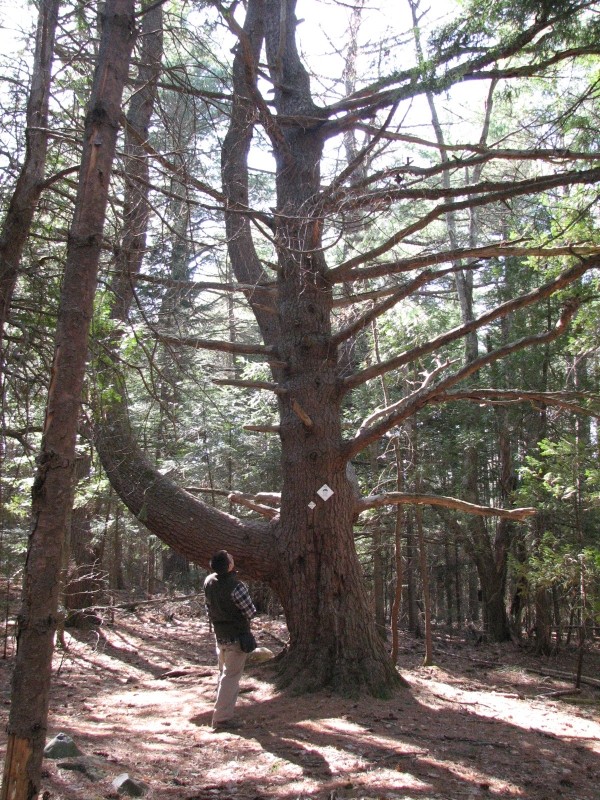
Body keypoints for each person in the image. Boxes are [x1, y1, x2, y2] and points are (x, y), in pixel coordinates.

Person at [203, 550, 256, 730]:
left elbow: (208, 607)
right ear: (229, 565)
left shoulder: (208, 582)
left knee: (223, 673)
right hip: (236, 637)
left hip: (220, 635)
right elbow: (250, 612)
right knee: (230, 677)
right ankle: (222, 718)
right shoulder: (237, 586)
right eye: (231, 558)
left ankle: (221, 711)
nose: (234, 559)